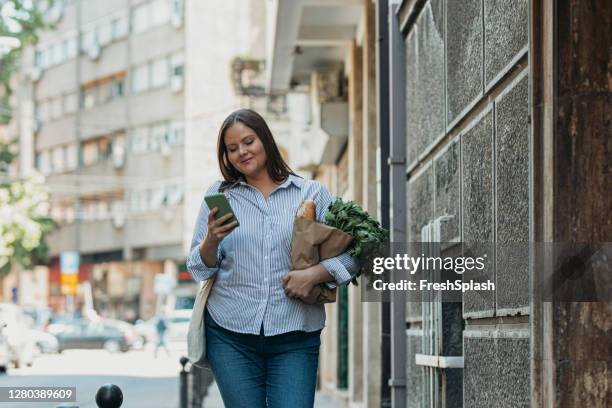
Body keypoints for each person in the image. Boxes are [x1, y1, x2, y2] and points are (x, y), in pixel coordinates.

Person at [186, 109, 357, 408]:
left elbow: (356, 254)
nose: (242, 152)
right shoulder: (220, 196)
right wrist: (211, 239)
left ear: (265, 140)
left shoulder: (311, 194)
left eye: (248, 141)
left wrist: (315, 274)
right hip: (230, 335)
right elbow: (198, 268)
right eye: (232, 148)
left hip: (295, 335)